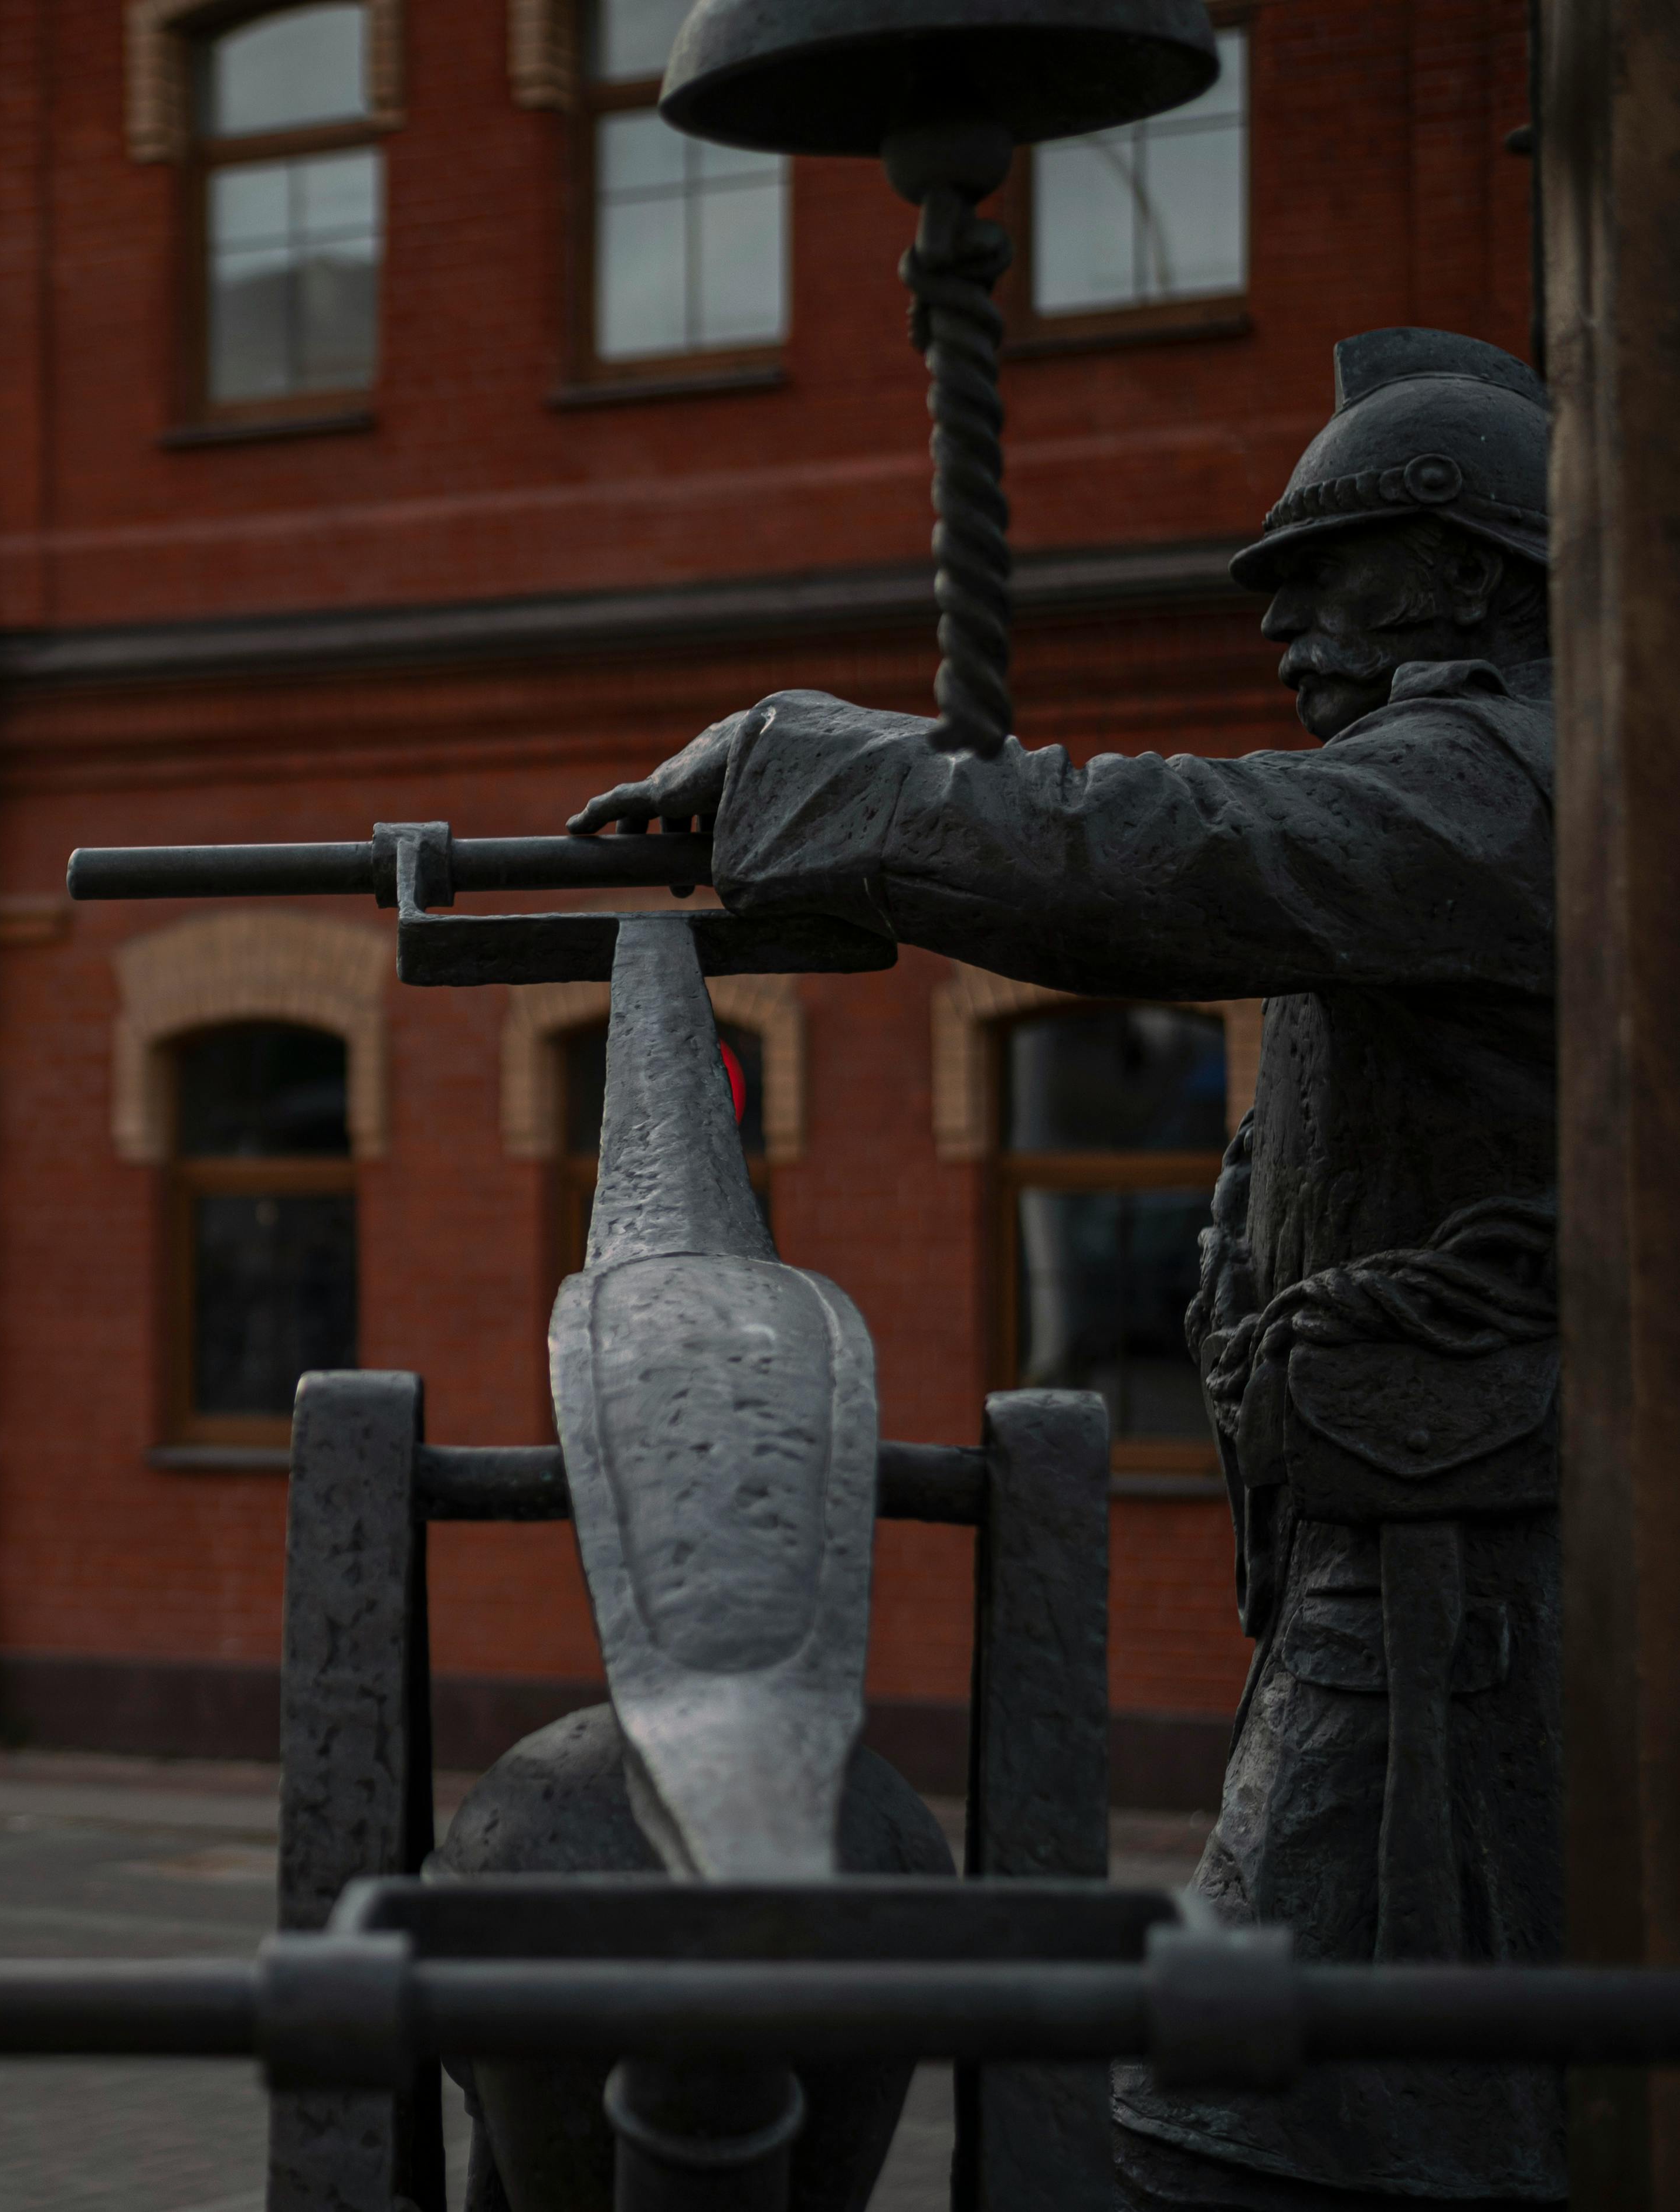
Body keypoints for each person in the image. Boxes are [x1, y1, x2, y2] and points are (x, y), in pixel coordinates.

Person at [572, 328, 1563, 2210]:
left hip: (1455, 1625)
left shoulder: (1494, 783)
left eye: (1328, 584)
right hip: (1408, 1574)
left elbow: (1162, 847)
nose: (1287, 637)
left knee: (1244, 2132)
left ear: (1471, 581)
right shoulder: (1493, 795)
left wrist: (817, 771)